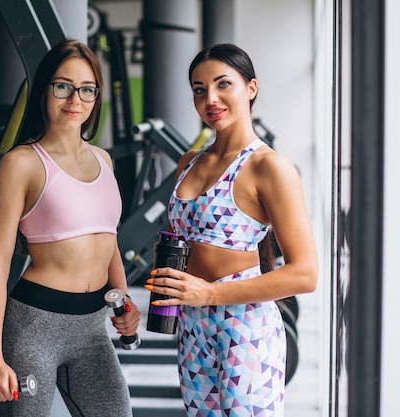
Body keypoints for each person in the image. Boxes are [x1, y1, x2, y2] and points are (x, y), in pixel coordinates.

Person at [144, 43, 318, 416]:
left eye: (224, 85)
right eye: (199, 89)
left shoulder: (269, 167)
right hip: (191, 325)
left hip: (245, 328)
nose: (211, 98)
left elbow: (305, 274)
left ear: (251, 88)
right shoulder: (189, 162)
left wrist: (208, 293)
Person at [0, 39, 140, 417]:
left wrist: (124, 298)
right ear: (44, 90)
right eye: (63, 86)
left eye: (87, 89)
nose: (74, 99)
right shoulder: (21, 164)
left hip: (93, 327)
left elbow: (108, 240)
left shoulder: (104, 159)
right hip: (35, 327)